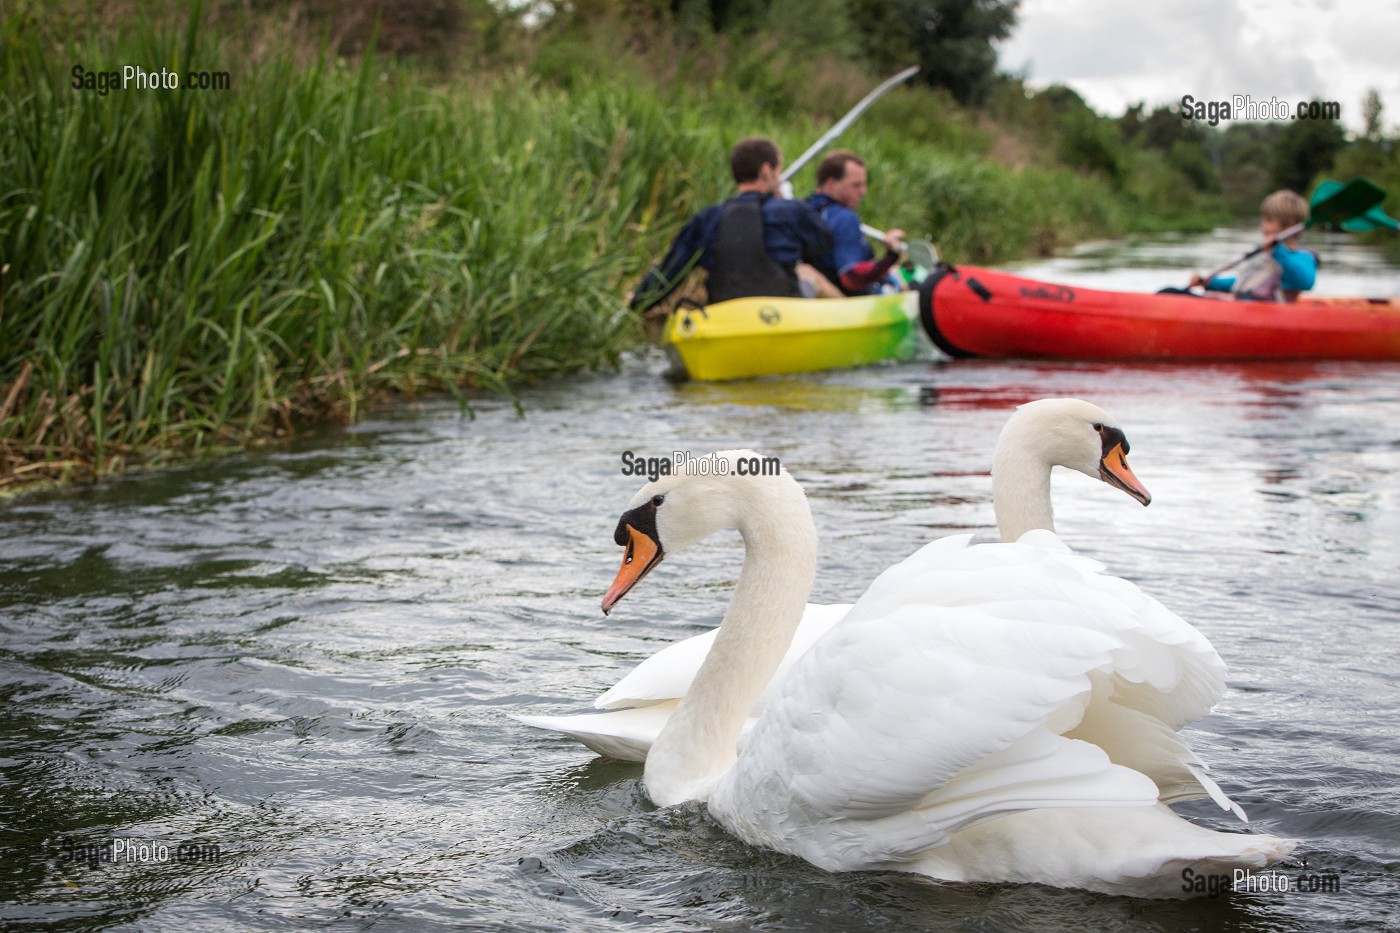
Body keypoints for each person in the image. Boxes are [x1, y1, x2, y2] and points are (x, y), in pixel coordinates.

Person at [628, 137, 833, 312]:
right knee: (809, 274)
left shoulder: (706, 219)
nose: (779, 179)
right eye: (778, 172)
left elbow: (668, 274)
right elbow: (824, 247)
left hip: (726, 317)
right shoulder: (792, 211)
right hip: (782, 314)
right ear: (766, 170)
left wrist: (637, 303)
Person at [1167, 190, 1318, 302]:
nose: (1262, 225)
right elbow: (1244, 283)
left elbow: (1306, 282)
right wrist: (1210, 283)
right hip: (1242, 305)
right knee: (1169, 292)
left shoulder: (1301, 257)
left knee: (1170, 294)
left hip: (1263, 314)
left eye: (1269, 220)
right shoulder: (1267, 253)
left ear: (1289, 224)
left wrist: (1279, 251)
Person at [805, 150, 906, 296]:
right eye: (856, 185)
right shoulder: (845, 218)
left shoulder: (802, 209)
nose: (863, 191)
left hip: (815, 294)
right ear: (832, 184)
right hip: (845, 301)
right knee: (899, 277)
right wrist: (891, 257)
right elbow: (851, 278)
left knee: (894, 272)